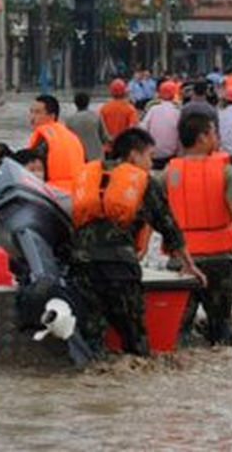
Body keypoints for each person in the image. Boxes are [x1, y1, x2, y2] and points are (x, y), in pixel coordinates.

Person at [70, 128, 206, 358]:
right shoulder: (142, 182)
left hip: (83, 267)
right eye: (149, 156)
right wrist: (190, 266)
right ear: (134, 155)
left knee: (91, 337)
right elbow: (169, 227)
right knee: (134, 339)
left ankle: (90, 384)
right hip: (120, 268)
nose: (151, 163)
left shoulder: (87, 175)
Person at [165, 113, 232, 346]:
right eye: (214, 133)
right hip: (218, 263)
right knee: (221, 331)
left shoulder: (167, 175)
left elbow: (153, 219)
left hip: (180, 264)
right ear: (202, 137)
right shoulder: (226, 172)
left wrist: (139, 254)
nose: (217, 138)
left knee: (176, 335)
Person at [28, 94, 88, 193]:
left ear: (52, 116)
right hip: (78, 192)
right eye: (31, 112)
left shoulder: (43, 137)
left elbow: (32, 170)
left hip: (54, 192)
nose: (32, 117)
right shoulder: (72, 136)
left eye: (38, 112)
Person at [139, 81, 182, 168]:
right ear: (174, 95)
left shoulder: (153, 109)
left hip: (153, 155)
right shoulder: (178, 112)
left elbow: (142, 129)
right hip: (172, 156)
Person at [65, 92, 111, 162]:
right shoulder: (96, 117)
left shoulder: (70, 120)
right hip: (96, 157)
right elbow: (104, 137)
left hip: (78, 157)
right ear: (88, 102)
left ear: (75, 104)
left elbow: (67, 141)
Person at [99, 79, 140, 149]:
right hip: (124, 147)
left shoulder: (103, 108)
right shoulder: (130, 109)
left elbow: (100, 129)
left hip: (108, 147)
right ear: (125, 92)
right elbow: (133, 129)